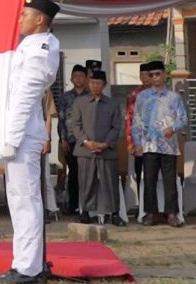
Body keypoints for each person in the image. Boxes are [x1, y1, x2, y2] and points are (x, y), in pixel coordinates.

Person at [0, 0, 61, 284]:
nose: (20, 19)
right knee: (19, 201)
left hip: (22, 135)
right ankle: (23, 263)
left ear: (40, 20)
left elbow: (25, 97)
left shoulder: (41, 49)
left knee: (25, 201)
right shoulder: (30, 45)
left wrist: (11, 137)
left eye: (25, 15)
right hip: (19, 133)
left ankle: (28, 269)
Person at [131, 60, 187, 227]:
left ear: (164, 75)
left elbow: (183, 118)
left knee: (170, 181)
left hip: (169, 146)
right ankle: (150, 213)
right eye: (151, 75)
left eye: (157, 74)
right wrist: (137, 142)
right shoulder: (142, 97)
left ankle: (172, 213)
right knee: (149, 180)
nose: (154, 77)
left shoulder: (174, 97)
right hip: (149, 145)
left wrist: (173, 127)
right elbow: (137, 121)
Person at [70, 70, 124, 226]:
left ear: (104, 85)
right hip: (85, 149)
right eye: (92, 83)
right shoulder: (80, 102)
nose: (95, 86)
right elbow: (76, 125)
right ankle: (85, 212)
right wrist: (86, 141)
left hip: (107, 150)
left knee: (110, 183)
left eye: (98, 83)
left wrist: (105, 144)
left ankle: (114, 213)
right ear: (89, 83)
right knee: (86, 182)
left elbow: (116, 126)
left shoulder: (113, 104)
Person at [57, 65, 89, 214]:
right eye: (75, 76)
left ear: (86, 78)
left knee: (87, 173)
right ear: (71, 79)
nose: (78, 79)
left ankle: (88, 206)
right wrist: (62, 139)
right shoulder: (65, 97)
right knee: (74, 172)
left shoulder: (90, 95)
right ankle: (73, 205)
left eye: (81, 76)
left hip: (88, 140)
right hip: (70, 139)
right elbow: (61, 119)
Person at [125, 63, 152, 193]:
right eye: (142, 75)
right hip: (139, 142)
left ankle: (159, 206)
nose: (145, 77)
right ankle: (143, 206)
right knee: (140, 174)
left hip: (157, 142)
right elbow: (129, 119)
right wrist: (130, 141)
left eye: (147, 74)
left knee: (155, 175)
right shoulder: (134, 95)